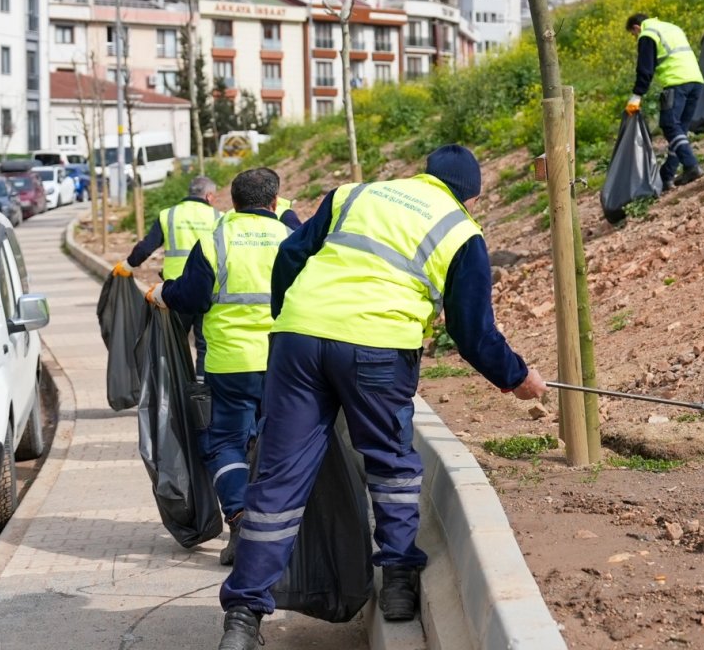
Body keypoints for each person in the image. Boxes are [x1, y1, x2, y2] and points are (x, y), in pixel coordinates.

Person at [215, 145, 547, 650]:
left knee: (278, 478)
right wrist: (517, 377)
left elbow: (289, 254)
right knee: (391, 465)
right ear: (471, 197)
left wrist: (290, 321)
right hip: (378, 351)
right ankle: (396, 582)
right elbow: (472, 331)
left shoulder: (353, 195)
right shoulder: (461, 232)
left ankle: (242, 616)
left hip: (297, 343)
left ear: (424, 175)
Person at [145, 168, 291, 567]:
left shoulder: (216, 239)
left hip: (228, 364)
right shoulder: (290, 238)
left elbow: (190, 296)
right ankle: (280, 530)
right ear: (275, 202)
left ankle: (241, 518)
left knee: (225, 442)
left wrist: (161, 293)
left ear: (231, 202)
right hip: (283, 362)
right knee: (277, 441)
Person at [113, 177, 226, 377]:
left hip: (176, 292)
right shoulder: (219, 217)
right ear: (209, 196)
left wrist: (128, 265)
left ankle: (175, 389)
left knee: (173, 343)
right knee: (204, 343)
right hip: (208, 290)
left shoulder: (169, 215)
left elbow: (147, 246)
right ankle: (201, 393)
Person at [625, 13, 704, 191]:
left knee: (669, 125)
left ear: (637, 28)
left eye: (633, 35)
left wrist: (637, 95)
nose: (636, 38)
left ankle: (691, 165)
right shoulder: (671, 27)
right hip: (696, 80)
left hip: (676, 83)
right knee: (680, 130)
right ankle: (667, 176)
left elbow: (645, 68)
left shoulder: (648, 34)